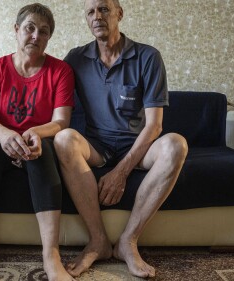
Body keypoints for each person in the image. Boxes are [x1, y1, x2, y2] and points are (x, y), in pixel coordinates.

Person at [54, 0, 188, 278]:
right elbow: (50, 91)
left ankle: (128, 241)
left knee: (176, 144)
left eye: (104, 9)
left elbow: (154, 126)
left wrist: (121, 172)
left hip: (139, 145)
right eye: (90, 12)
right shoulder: (76, 59)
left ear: (119, 14)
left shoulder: (148, 57)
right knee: (64, 138)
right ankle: (98, 241)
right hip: (97, 146)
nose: (97, 16)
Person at [0, 3, 75, 281]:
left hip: (38, 144)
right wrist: (5, 135)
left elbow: (61, 121)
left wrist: (36, 131)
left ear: (49, 38)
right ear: (16, 30)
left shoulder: (60, 71)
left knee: (44, 149)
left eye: (44, 31)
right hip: (2, 144)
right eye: (30, 28)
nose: (36, 36)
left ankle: (51, 255)